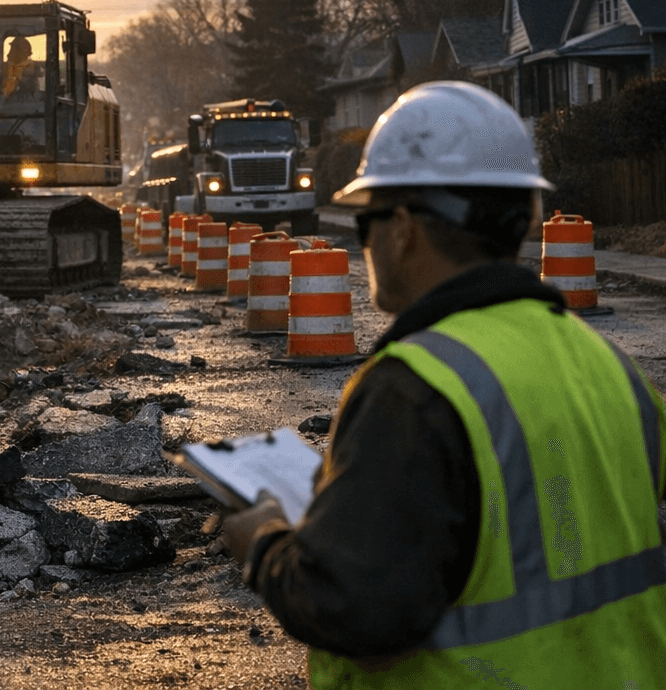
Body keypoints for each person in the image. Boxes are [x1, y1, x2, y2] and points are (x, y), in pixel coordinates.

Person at [221, 81, 666, 687]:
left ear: (402, 227)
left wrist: (264, 545)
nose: (366, 243)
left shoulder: (414, 389)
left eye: (366, 221)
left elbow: (354, 607)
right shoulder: (610, 365)